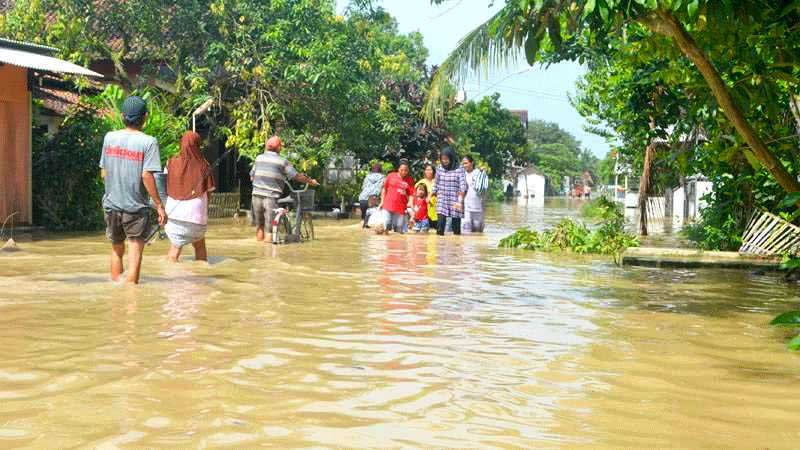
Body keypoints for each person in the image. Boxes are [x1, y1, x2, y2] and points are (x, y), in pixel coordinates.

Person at [99, 96, 166, 284]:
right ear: (145, 117)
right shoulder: (149, 142)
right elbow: (147, 176)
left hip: (111, 205)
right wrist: (159, 205)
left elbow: (104, 171)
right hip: (135, 207)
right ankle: (130, 298)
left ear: (122, 116)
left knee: (116, 249)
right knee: (135, 250)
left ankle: (116, 290)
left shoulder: (109, 138)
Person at [250, 136, 318, 242]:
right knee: (270, 230)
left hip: (256, 195)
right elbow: (296, 176)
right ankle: (268, 255)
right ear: (278, 148)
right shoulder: (282, 161)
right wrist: (311, 181)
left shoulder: (259, 158)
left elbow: (252, 176)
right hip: (271, 196)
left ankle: (260, 250)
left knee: (260, 227)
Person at [164, 131, 215, 262]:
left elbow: (166, 184)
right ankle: (202, 276)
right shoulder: (205, 165)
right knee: (199, 245)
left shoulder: (170, 163)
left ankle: (170, 278)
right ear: (198, 146)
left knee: (174, 250)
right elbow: (209, 192)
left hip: (174, 215)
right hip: (196, 217)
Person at [433, 146, 466, 236]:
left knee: (456, 230)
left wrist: (460, 201)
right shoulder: (439, 168)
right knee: (440, 226)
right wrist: (431, 195)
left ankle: (456, 246)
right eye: (442, 159)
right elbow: (436, 183)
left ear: (451, 158)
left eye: (446, 159)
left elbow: (463, 186)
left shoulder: (459, 169)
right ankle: (439, 245)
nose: (444, 161)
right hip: (442, 198)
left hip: (455, 199)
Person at [380, 159, 414, 233]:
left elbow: (411, 194)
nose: (404, 172)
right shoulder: (390, 176)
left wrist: (411, 203)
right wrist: (382, 202)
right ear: (398, 169)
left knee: (398, 229)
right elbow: (384, 189)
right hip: (388, 205)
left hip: (400, 208)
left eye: (406, 170)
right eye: (402, 170)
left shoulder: (410, 180)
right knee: (386, 225)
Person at [462, 155, 488, 233]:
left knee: (478, 232)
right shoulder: (462, 174)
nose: (464, 165)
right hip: (466, 206)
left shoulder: (478, 173)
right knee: (466, 230)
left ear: (472, 163)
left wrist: (483, 173)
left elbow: (484, 188)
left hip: (478, 206)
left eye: (466, 163)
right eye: (463, 163)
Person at [358, 163, 385, 228]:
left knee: (364, 221)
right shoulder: (383, 177)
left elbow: (363, 187)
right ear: (381, 169)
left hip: (362, 199)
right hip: (374, 200)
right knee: (374, 222)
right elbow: (384, 189)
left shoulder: (367, 177)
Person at [415, 164, 438, 230]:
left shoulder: (437, 181)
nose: (428, 171)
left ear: (433, 171)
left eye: (430, 170)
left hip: (436, 210)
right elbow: (415, 196)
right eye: (426, 170)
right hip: (423, 213)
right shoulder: (421, 182)